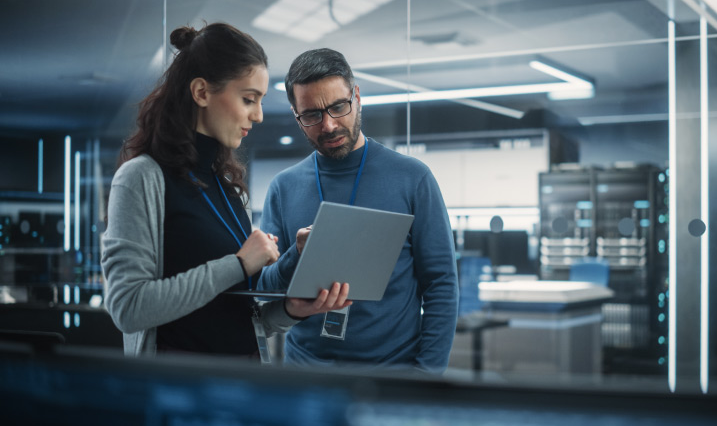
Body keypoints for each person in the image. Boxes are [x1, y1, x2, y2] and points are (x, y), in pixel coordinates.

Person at [101, 24, 350, 359]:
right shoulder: (141, 178)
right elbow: (128, 308)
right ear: (202, 92)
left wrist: (291, 309)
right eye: (248, 99)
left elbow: (240, 316)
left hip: (240, 388)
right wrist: (237, 264)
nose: (259, 115)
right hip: (176, 396)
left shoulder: (227, 187)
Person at [258, 48, 459, 373]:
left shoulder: (412, 178)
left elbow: (441, 284)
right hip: (306, 376)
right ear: (296, 115)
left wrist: (427, 375)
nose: (328, 125)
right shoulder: (284, 187)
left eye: (339, 107)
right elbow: (265, 290)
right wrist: (296, 254)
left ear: (357, 97)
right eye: (311, 115)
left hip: (393, 377)